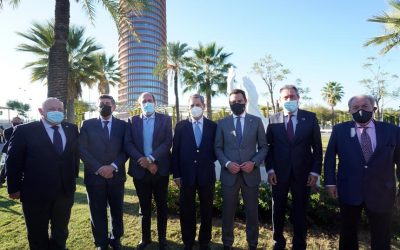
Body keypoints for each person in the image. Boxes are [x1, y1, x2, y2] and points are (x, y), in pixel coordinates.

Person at [324, 95, 400, 250]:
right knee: (348, 233)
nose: (360, 110)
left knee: (382, 234)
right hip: (349, 190)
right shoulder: (340, 130)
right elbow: (330, 158)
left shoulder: (393, 131)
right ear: (349, 111)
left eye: (365, 107)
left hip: (382, 192)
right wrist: (330, 182)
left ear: (374, 108)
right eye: (355, 107)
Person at [6, 97, 79, 250]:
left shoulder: (71, 128)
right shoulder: (24, 130)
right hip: (35, 193)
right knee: (37, 234)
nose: (57, 112)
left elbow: (74, 156)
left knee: (61, 232)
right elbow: (13, 160)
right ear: (41, 111)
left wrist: (73, 178)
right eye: (52, 109)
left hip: (64, 192)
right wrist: (13, 187)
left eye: (60, 109)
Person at [265, 85, 322, 250]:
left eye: (292, 96)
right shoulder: (273, 119)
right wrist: (270, 170)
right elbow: (268, 148)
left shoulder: (310, 118)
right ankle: (278, 242)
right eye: (285, 97)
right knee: (278, 209)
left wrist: (314, 171)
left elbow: (317, 148)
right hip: (278, 174)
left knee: (300, 210)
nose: (289, 100)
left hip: (303, 174)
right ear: (280, 100)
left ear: (298, 98)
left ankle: (299, 243)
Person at [214, 89, 267, 250]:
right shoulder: (222, 123)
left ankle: (252, 244)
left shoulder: (256, 121)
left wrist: (254, 162)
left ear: (245, 101)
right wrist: (227, 163)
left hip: (251, 175)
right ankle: (227, 244)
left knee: (252, 213)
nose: (236, 104)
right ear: (229, 103)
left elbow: (264, 147)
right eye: (233, 102)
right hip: (229, 175)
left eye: (239, 101)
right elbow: (218, 148)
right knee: (228, 213)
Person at [124, 92, 172, 250]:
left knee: (162, 207)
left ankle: (162, 239)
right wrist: (143, 161)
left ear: (155, 102)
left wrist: (151, 159)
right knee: (144, 208)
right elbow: (129, 144)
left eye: (149, 100)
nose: (147, 103)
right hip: (140, 171)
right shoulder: (132, 121)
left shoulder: (165, 119)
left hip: (160, 169)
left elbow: (167, 143)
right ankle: (145, 238)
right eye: (144, 101)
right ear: (139, 104)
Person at [79, 95, 127, 250]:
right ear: (97, 106)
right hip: (94, 176)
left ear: (114, 107)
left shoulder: (123, 125)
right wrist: (99, 168)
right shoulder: (87, 124)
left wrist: (112, 166)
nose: (104, 106)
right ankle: (101, 242)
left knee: (117, 210)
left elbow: (126, 149)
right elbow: (82, 149)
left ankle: (116, 239)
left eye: (107, 104)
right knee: (97, 210)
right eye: (101, 104)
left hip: (116, 175)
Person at [171, 94, 217, 250]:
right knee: (186, 210)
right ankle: (188, 241)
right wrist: (176, 174)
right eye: (191, 105)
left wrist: (207, 160)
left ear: (203, 106)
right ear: (188, 107)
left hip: (207, 175)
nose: (195, 108)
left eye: (197, 104)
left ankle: (204, 241)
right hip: (186, 176)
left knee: (206, 209)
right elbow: (175, 152)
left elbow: (217, 150)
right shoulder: (181, 126)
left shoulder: (213, 126)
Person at [0, 116, 23, 187]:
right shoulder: (7, 131)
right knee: (6, 166)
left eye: (17, 122)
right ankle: (1, 180)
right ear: (12, 122)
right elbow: (9, 140)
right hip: (9, 150)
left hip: (21, 150)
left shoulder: (24, 130)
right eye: (14, 122)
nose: (16, 123)